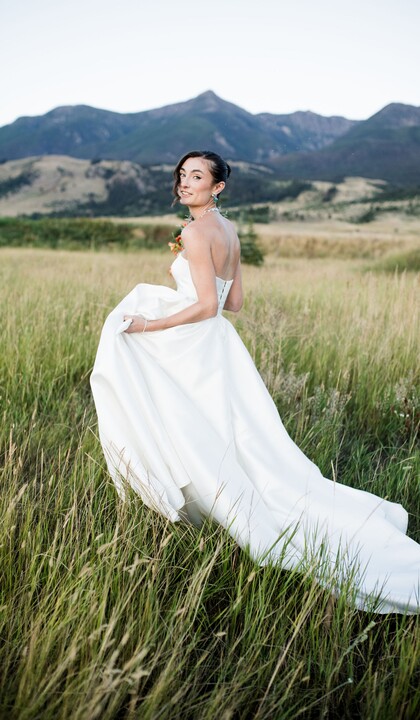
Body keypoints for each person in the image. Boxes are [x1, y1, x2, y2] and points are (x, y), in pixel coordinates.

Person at [90, 150, 420, 614]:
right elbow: (234, 303)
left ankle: (201, 501)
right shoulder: (228, 230)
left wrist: (150, 324)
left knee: (188, 421)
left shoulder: (195, 232)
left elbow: (208, 306)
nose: (185, 182)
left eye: (197, 176)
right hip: (219, 345)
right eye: (182, 175)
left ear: (217, 186)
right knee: (229, 434)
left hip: (195, 344)